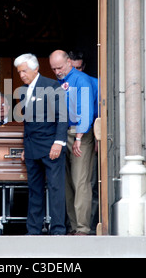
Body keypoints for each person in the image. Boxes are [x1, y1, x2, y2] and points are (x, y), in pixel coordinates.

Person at [14, 53, 68, 235]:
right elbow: (27, 123)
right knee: (34, 190)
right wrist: (24, 147)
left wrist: (58, 143)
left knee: (56, 189)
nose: (21, 75)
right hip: (31, 148)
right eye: (19, 72)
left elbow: (62, 117)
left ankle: (58, 229)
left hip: (50, 146)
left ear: (35, 69)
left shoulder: (51, 85)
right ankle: (33, 230)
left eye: (24, 71)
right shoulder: (23, 90)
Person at [49, 50, 95, 235]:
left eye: (60, 67)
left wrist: (79, 137)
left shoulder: (81, 79)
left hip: (79, 133)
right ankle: (73, 226)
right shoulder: (57, 82)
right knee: (66, 182)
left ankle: (83, 228)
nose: (57, 71)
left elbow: (86, 110)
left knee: (80, 180)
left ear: (69, 62)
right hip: (61, 133)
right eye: (53, 69)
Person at [69, 50, 100, 234]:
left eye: (79, 67)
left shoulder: (93, 83)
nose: (76, 71)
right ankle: (73, 226)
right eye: (73, 68)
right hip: (67, 131)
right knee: (71, 182)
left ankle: (85, 226)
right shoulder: (63, 83)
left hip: (88, 133)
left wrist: (97, 138)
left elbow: (99, 112)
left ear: (84, 67)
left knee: (85, 181)